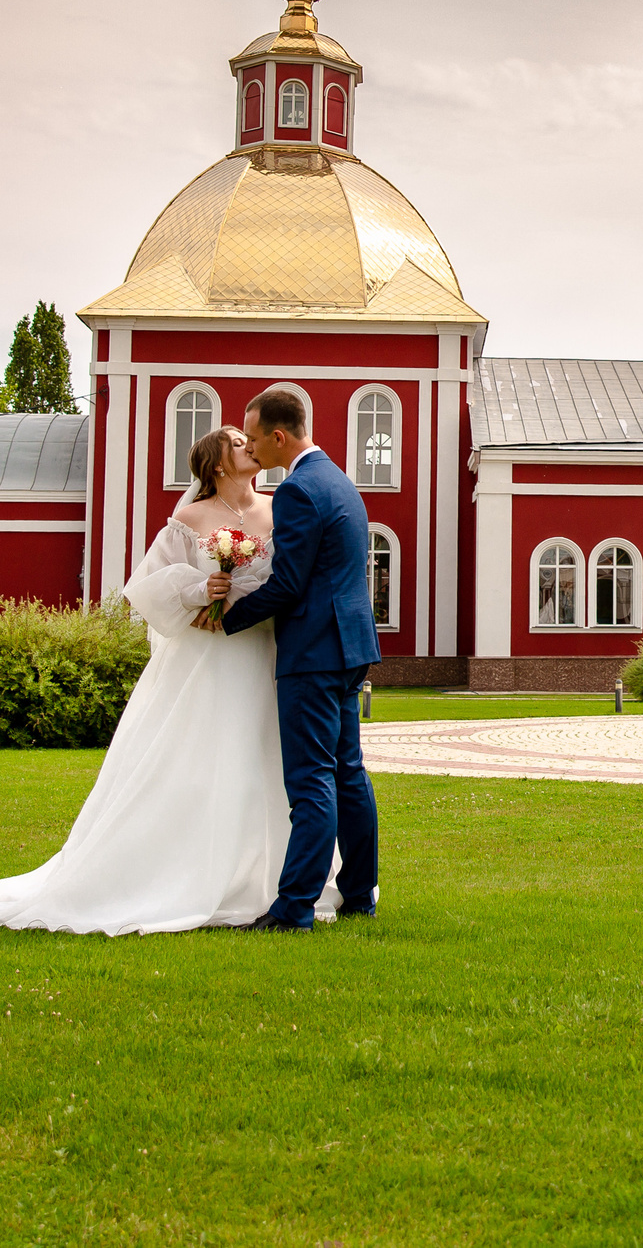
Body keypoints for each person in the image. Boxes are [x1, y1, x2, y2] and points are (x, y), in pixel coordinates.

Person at [0, 427, 339, 933]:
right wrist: (200, 591)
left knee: (266, 758)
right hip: (209, 657)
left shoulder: (281, 507)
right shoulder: (189, 519)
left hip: (263, 650)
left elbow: (293, 577)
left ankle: (274, 879)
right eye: (237, 443)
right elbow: (149, 587)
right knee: (200, 759)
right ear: (216, 465)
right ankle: (186, 872)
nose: (249, 447)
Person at [208, 386, 381, 932]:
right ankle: (358, 894)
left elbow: (287, 585)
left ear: (278, 436)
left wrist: (225, 617)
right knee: (348, 774)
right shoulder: (341, 481)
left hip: (312, 651)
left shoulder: (300, 491)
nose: (252, 449)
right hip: (350, 646)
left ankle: (293, 908)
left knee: (311, 780)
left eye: (254, 438)